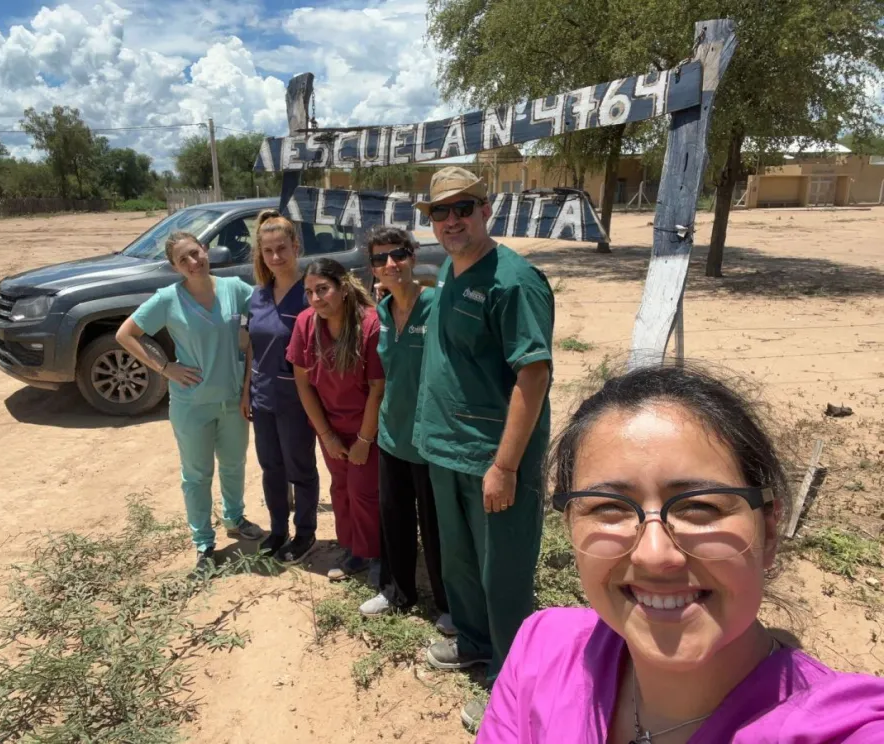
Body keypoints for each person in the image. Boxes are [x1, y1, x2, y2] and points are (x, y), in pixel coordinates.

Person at [478, 364, 884, 742]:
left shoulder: (841, 729)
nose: (655, 555)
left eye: (700, 507)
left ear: (771, 530)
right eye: (608, 508)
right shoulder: (542, 652)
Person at [410, 166, 554, 726]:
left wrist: (506, 465)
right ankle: (471, 639)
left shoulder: (513, 281)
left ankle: (511, 684)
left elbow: (533, 375)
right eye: (440, 212)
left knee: (505, 574)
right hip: (447, 449)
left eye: (462, 207)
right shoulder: (450, 269)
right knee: (461, 562)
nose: (451, 220)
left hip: (493, 458)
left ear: (485, 209)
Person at [115, 232, 263, 575]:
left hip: (231, 401)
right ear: (174, 267)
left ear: (206, 250)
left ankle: (235, 518)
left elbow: (258, 326)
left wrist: (246, 390)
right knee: (196, 475)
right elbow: (126, 334)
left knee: (234, 464)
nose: (194, 263)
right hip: (192, 404)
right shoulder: (168, 299)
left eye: (196, 253)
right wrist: (165, 367)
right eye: (184, 260)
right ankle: (204, 542)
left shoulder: (235, 289)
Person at [357, 226, 454, 635]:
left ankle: (450, 603)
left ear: (412, 256)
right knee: (393, 517)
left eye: (397, 255)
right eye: (379, 259)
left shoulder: (436, 305)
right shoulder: (379, 313)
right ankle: (396, 590)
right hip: (392, 433)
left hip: (430, 437)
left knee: (437, 527)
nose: (389, 265)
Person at [287, 258, 385, 581]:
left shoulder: (368, 324)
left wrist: (365, 440)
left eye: (323, 289)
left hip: (367, 427)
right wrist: (327, 435)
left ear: (343, 288)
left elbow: (377, 388)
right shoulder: (305, 324)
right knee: (341, 489)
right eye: (309, 292)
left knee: (364, 491)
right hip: (330, 427)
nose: (316, 298)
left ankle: (377, 556)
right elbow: (303, 383)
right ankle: (354, 549)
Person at [244, 209, 321, 564]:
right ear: (261, 254)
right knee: (271, 467)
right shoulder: (258, 296)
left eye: (282, 248)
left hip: (297, 399)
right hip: (263, 399)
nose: (276, 257)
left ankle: (305, 533)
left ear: (296, 246)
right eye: (268, 251)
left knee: (299, 468)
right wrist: (247, 391)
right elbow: (253, 350)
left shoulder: (311, 294)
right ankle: (278, 530)